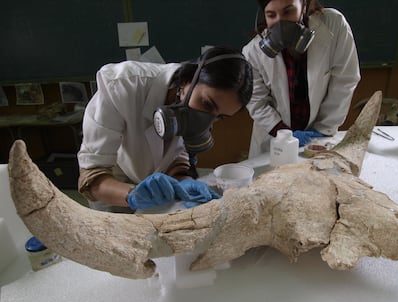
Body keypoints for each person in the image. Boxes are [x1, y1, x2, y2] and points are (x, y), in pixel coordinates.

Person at [77, 46, 253, 213]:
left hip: (155, 184)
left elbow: (178, 156)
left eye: (219, 117)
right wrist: (133, 195)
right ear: (187, 81)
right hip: (111, 184)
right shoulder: (122, 85)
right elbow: (91, 179)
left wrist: (183, 179)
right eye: (207, 104)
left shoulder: (196, 104)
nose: (206, 121)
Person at [242, 0, 360, 157]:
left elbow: (345, 81)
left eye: (288, 12)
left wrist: (322, 129)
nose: (280, 22)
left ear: (304, 6)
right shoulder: (253, 52)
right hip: (275, 138)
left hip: (319, 135)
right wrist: (284, 134)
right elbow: (257, 102)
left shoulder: (334, 25)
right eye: (271, 15)